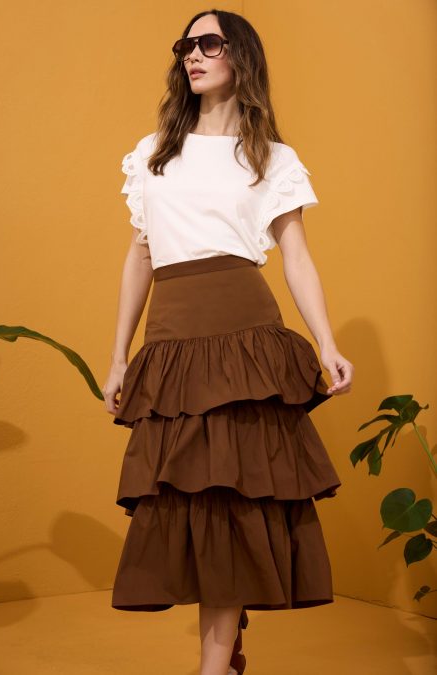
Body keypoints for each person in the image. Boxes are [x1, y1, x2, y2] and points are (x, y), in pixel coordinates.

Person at [102, 8, 353, 675]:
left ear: (241, 55)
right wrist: (119, 356)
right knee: (189, 497)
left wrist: (326, 342)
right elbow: (141, 256)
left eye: (209, 43)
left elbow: (296, 256)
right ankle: (227, 637)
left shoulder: (271, 157)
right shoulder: (153, 153)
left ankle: (213, 666)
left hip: (245, 337)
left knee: (235, 497)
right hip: (174, 337)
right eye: (186, 45)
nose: (193, 54)